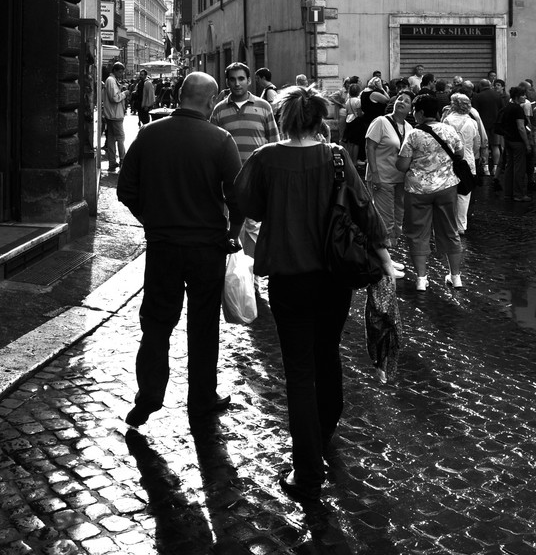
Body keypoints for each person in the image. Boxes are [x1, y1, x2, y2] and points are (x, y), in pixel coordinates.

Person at [234, 86, 393, 502]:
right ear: (320, 119)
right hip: (334, 277)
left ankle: (306, 469)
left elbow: (248, 204)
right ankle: (323, 432)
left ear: (284, 119)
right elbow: (366, 210)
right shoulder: (337, 156)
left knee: (299, 371)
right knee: (327, 354)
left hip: (289, 280)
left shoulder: (265, 158)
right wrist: (386, 263)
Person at [117, 72, 243, 427]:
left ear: (182, 95)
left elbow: (126, 189)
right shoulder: (221, 140)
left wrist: (151, 220)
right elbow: (238, 198)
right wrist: (233, 233)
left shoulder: (149, 134)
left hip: (164, 247)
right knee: (203, 326)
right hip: (207, 248)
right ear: (210, 99)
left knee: (156, 324)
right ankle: (201, 399)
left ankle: (148, 399)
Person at [210, 62, 279, 259]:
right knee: (231, 227)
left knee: (254, 228)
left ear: (249, 81)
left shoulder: (264, 107)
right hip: (228, 181)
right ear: (227, 82)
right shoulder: (219, 110)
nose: (237, 83)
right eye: (232, 79)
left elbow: (274, 141)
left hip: (256, 178)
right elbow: (213, 147)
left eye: (241, 79)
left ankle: (252, 280)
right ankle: (233, 279)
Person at [396, 93, 465, 290]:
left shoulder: (413, 134)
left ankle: (421, 280)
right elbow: (459, 153)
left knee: (417, 233)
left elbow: (402, 165)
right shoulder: (449, 131)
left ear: (419, 113)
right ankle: (456, 276)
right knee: (451, 230)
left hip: (418, 190)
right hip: (446, 188)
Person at [365, 89, 414, 249]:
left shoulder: (409, 128)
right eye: (400, 99)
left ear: (410, 109)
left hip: (400, 180)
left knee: (398, 219)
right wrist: (374, 175)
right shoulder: (381, 122)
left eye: (406, 101)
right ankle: (383, 260)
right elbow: (369, 147)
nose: (402, 102)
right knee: (385, 220)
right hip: (382, 178)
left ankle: (390, 253)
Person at [441, 92, 480, 232]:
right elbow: (477, 144)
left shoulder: (447, 121)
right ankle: (461, 225)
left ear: (454, 105)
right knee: (464, 194)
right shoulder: (473, 122)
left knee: (450, 193)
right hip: (468, 162)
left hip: (450, 161)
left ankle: (449, 223)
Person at [500, 86, 532, 202]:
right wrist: (527, 144)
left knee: (510, 167)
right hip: (517, 142)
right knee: (519, 168)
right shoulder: (517, 109)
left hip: (508, 140)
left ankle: (508, 193)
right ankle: (518, 194)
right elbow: (521, 128)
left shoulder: (508, 107)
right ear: (517, 97)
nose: (525, 97)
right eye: (523, 95)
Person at [102, 62, 128, 172]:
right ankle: (123, 159)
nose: (121, 74)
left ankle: (112, 162)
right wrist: (125, 93)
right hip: (115, 115)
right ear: (116, 71)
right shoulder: (111, 81)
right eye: (121, 72)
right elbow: (114, 98)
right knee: (120, 138)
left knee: (112, 139)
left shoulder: (111, 81)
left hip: (112, 114)